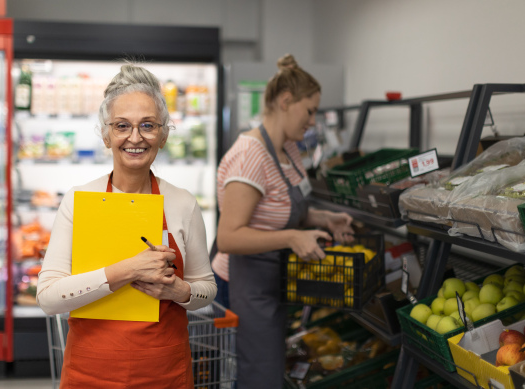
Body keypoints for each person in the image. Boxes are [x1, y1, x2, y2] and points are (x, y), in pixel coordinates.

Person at [37, 62, 217, 389]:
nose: (135, 137)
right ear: (106, 135)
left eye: (148, 125)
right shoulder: (78, 201)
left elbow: (206, 287)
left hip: (164, 372)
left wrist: (179, 291)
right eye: (122, 126)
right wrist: (128, 270)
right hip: (91, 372)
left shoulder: (182, 203)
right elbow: (48, 298)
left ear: (162, 135)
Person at [211, 54, 355, 388]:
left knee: (270, 374)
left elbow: (284, 209)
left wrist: (324, 218)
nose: (312, 121)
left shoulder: (289, 148)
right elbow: (229, 237)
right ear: (286, 101)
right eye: (310, 110)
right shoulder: (250, 156)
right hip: (239, 287)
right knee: (255, 377)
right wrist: (292, 237)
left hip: (270, 281)